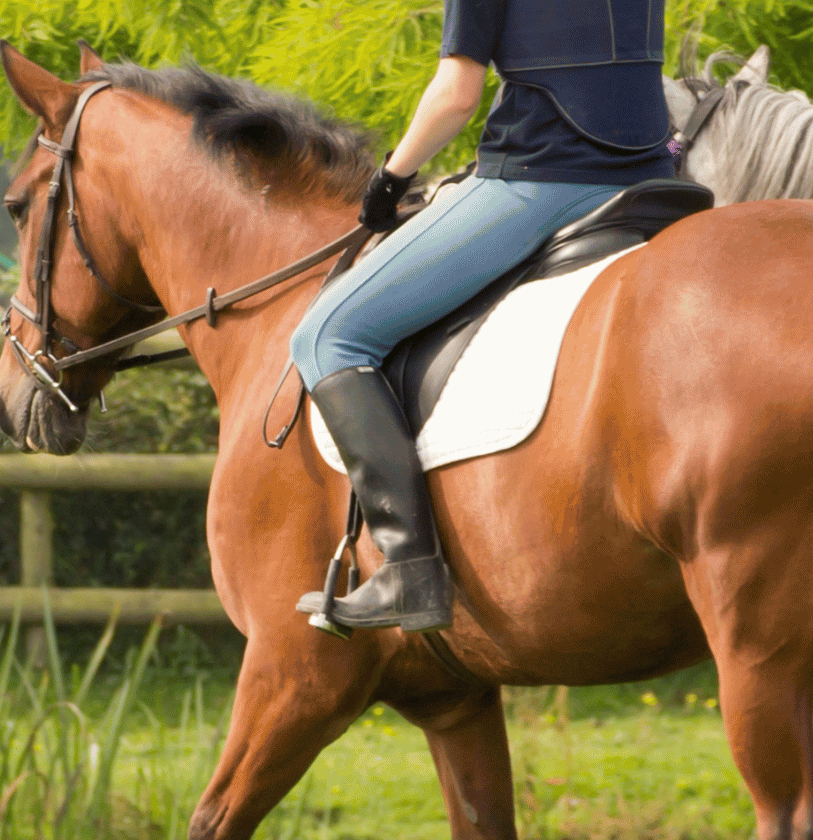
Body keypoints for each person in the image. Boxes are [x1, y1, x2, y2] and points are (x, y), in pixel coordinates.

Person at [285, 0, 674, 633]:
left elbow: (456, 97)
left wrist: (391, 177)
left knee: (328, 337)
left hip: (542, 179)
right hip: (656, 179)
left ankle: (407, 570)